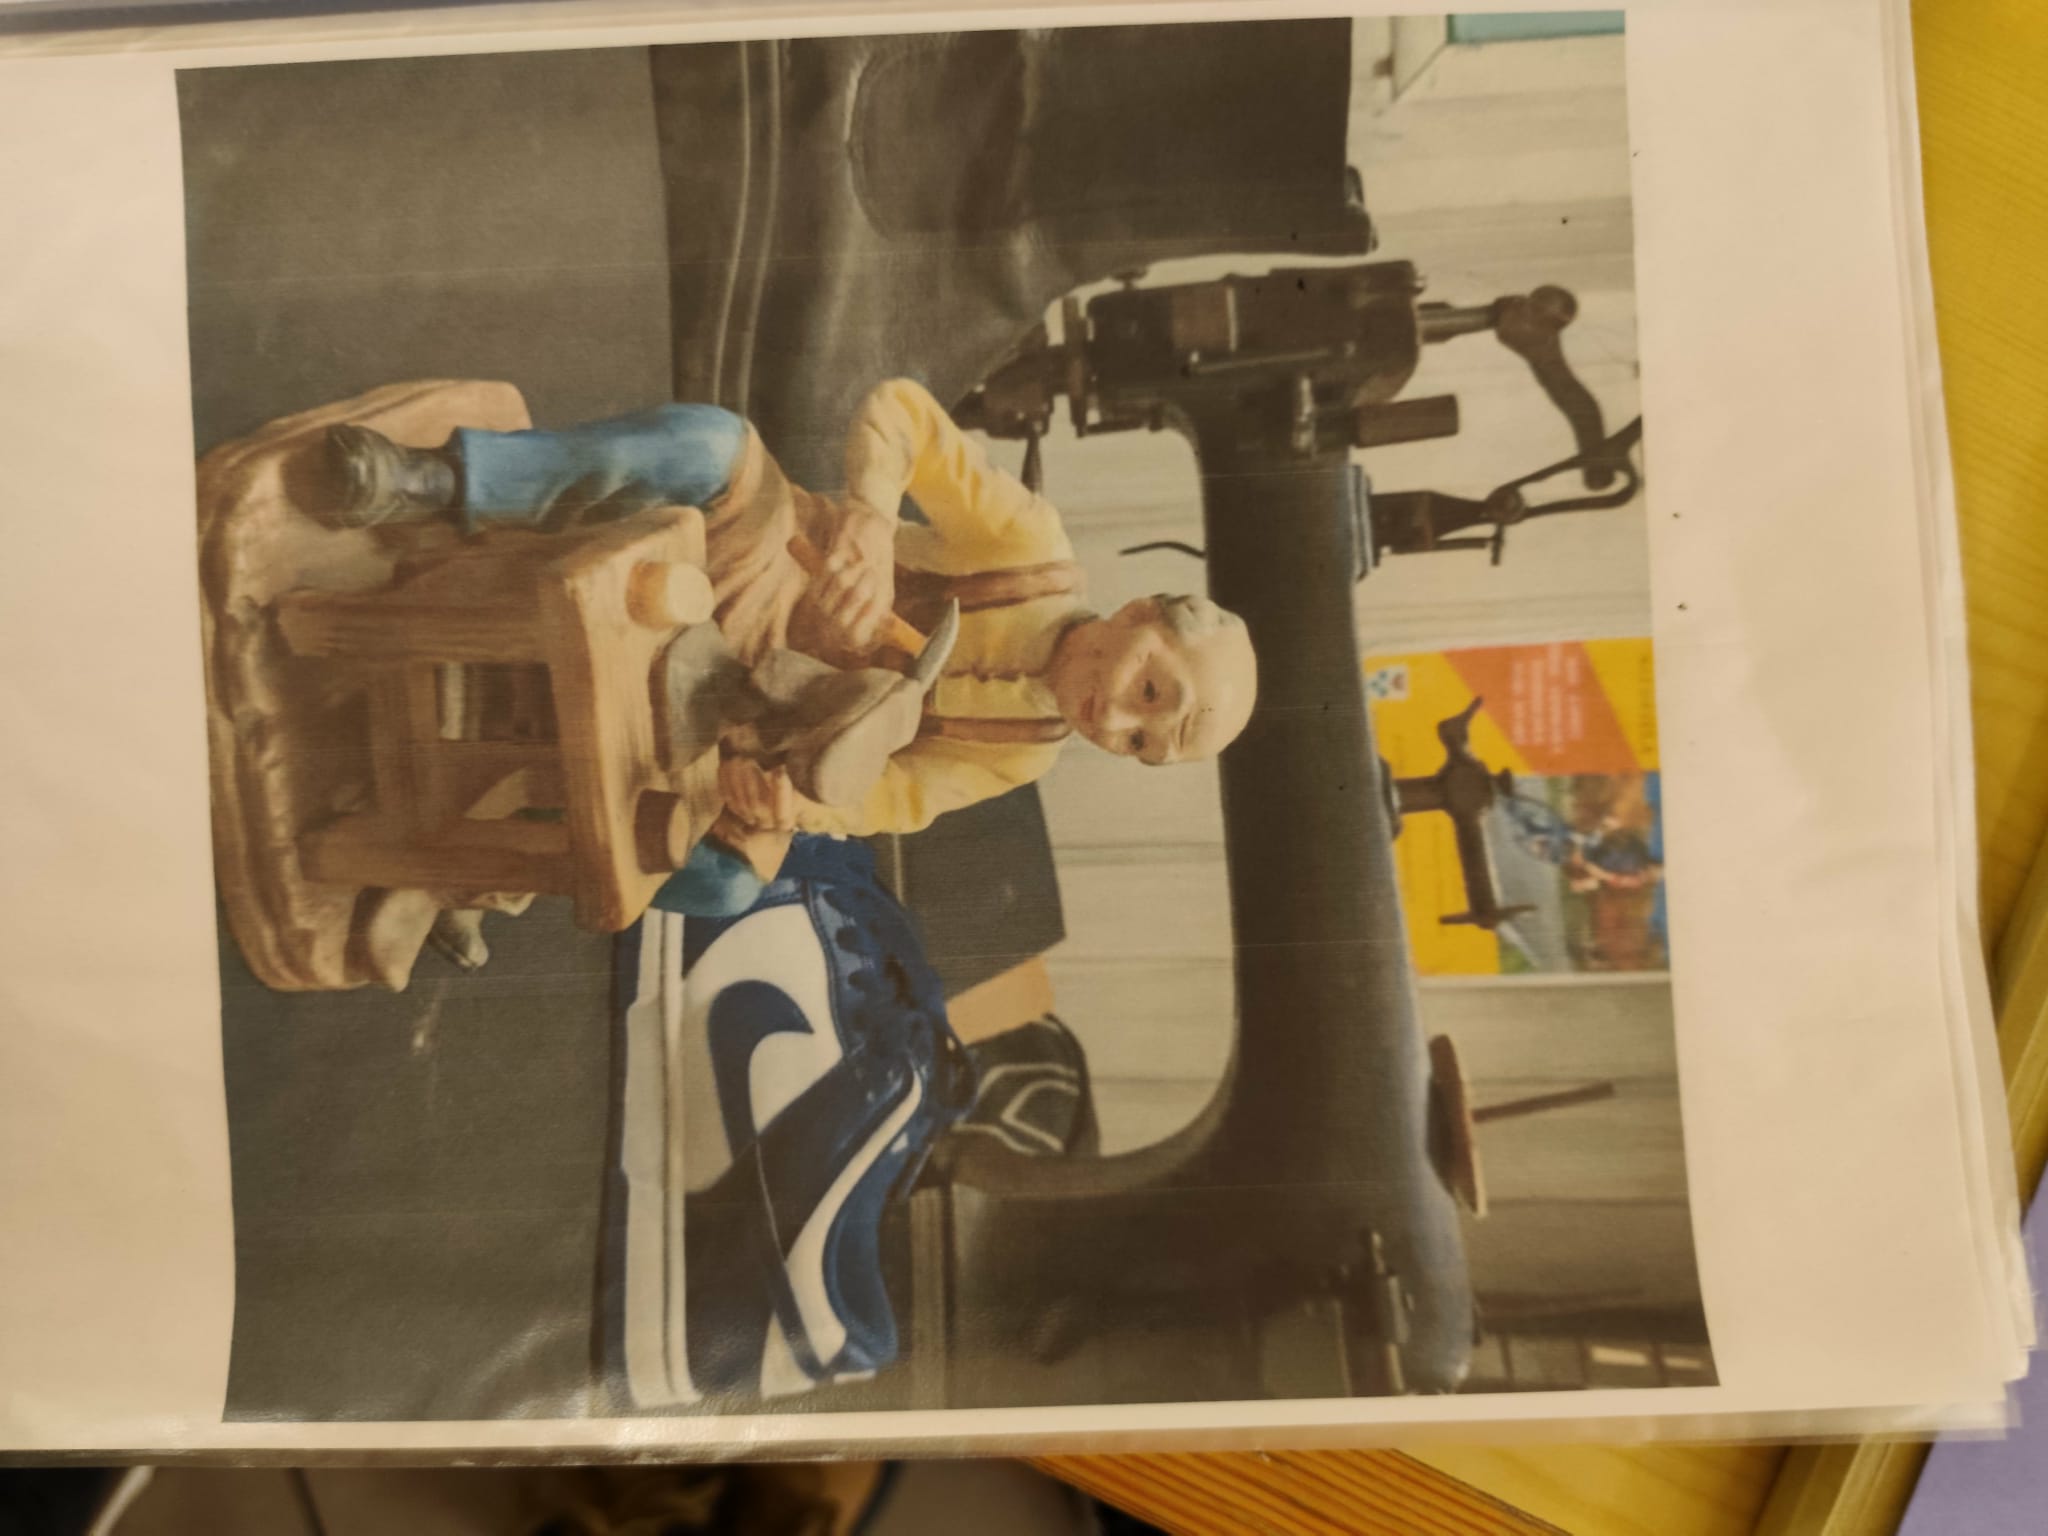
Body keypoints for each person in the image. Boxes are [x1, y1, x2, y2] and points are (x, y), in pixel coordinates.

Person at [326, 378, 1258, 910]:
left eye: (1141, 745)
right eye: (1150, 692)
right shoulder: (1030, 552)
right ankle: (443, 485)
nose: (1116, 723)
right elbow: (904, 413)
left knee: (726, 884)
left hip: (765, 721)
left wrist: (796, 802)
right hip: (773, 572)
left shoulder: (1025, 752)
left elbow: (894, 796)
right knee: (711, 443)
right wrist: (872, 523)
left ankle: (481, 854)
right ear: (1140, 612)